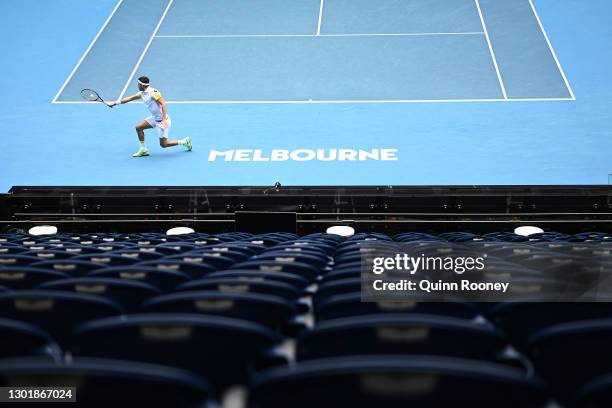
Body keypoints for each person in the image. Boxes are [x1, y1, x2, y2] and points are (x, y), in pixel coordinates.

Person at [108, 76, 192, 157]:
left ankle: (184, 141)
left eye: (138, 84)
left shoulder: (153, 93)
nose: (137, 86)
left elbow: (163, 103)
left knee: (164, 144)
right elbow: (129, 98)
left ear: (142, 85)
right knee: (138, 127)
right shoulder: (142, 93)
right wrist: (115, 103)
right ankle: (143, 149)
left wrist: (163, 120)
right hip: (155, 118)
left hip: (163, 121)